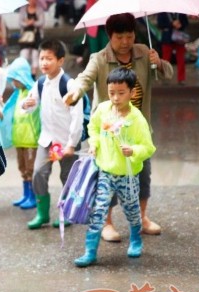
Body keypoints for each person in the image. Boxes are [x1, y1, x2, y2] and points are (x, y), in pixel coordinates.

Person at [63, 13, 173, 241]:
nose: (125, 42)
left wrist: (159, 63)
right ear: (109, 36)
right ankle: (107, 223)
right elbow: (84, 78)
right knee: (108, 177)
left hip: (136, 128)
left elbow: (167, 75)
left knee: (143, 175)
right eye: (120, 37)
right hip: (108, 131)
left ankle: (142, 218)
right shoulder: (99, 57)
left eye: (130, 36)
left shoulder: (144, 52)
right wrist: (74, 93)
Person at [74, 67, 156, 267]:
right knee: (98, 210)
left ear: (132, 92)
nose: (116, 98)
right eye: (111, 93)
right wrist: (94, 143)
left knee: (132, 210)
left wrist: (134, 151)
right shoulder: (103, 110)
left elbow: (148, 147)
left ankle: (136, 239)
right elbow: (92, 127)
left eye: (121, 93)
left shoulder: (136, 119)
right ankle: (90, 251)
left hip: (128, 175)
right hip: (105, 172)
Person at [23, 40, 83, 230]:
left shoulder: (69, 84)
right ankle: (42, 214)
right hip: (47, 140)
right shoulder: (41, 83)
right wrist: (26, 105)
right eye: (42, 58)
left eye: (49, 58)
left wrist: (72, 143)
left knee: (68, 177)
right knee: (39, 174)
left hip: (66, 141)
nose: (44, 63)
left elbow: (77, 115)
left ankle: (67, 213)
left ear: (61, 61)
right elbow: (31, 105)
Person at [1, 57, 40, 210]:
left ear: (22, 76)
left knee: (31, 169)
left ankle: (33, 197)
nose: (13, 83)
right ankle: (26, 195)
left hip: (31, 140)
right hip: (20, 140)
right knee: (22, 168)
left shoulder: (32, 92)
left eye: (15, 79)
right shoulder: (18, 94)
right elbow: (10, 110)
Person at [157, 13, 189, 85]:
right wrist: (171, 24)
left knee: (181, 59)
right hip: (167, 38)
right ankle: (165, 77)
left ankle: (181, 79)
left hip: (179, 39)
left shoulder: (181, 11)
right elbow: (160, 24)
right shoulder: (163, 12)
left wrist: (180, 25)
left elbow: (186, 22)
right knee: (166, 59)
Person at [18, 0, 45, 77]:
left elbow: (42, 22)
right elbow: (20, 22)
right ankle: (23, 74)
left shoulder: (39, 9)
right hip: (25, 36)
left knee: (35, 56)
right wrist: (27, 23)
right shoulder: (23, 9)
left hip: (36, 36)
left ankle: (33, 75)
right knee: (24, 55)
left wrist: (33, 22)